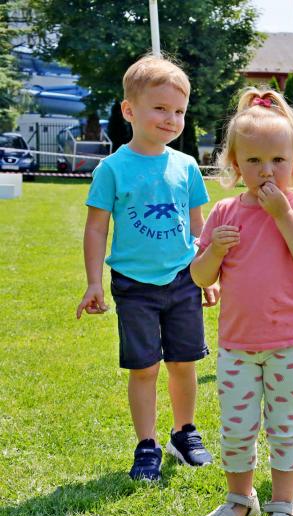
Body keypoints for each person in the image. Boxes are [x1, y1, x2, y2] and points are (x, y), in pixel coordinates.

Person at [192, 88, 293, 516]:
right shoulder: (225, 211)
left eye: (277, 160)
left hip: (291, 341)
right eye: (253, 160)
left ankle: (284, 506)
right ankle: (239, 500)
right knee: (236, 428)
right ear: (235, 164)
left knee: (284, 427)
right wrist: (214, 250)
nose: (266, 170)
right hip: (238, 343)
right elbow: (200, 276)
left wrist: (283, 215)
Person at [76, 55, 216, 482]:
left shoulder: (186, 166)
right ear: (129, 110)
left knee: (184, 362)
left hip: (184, 280)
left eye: (179, 111)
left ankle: (183, 433)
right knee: (144, 368)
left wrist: (207, 274)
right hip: (134, 286)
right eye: (160, 108)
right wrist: (93, 282)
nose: (171, 119)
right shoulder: (112, 169)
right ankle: (147, 445)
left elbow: (199, 227)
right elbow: (96, 229)